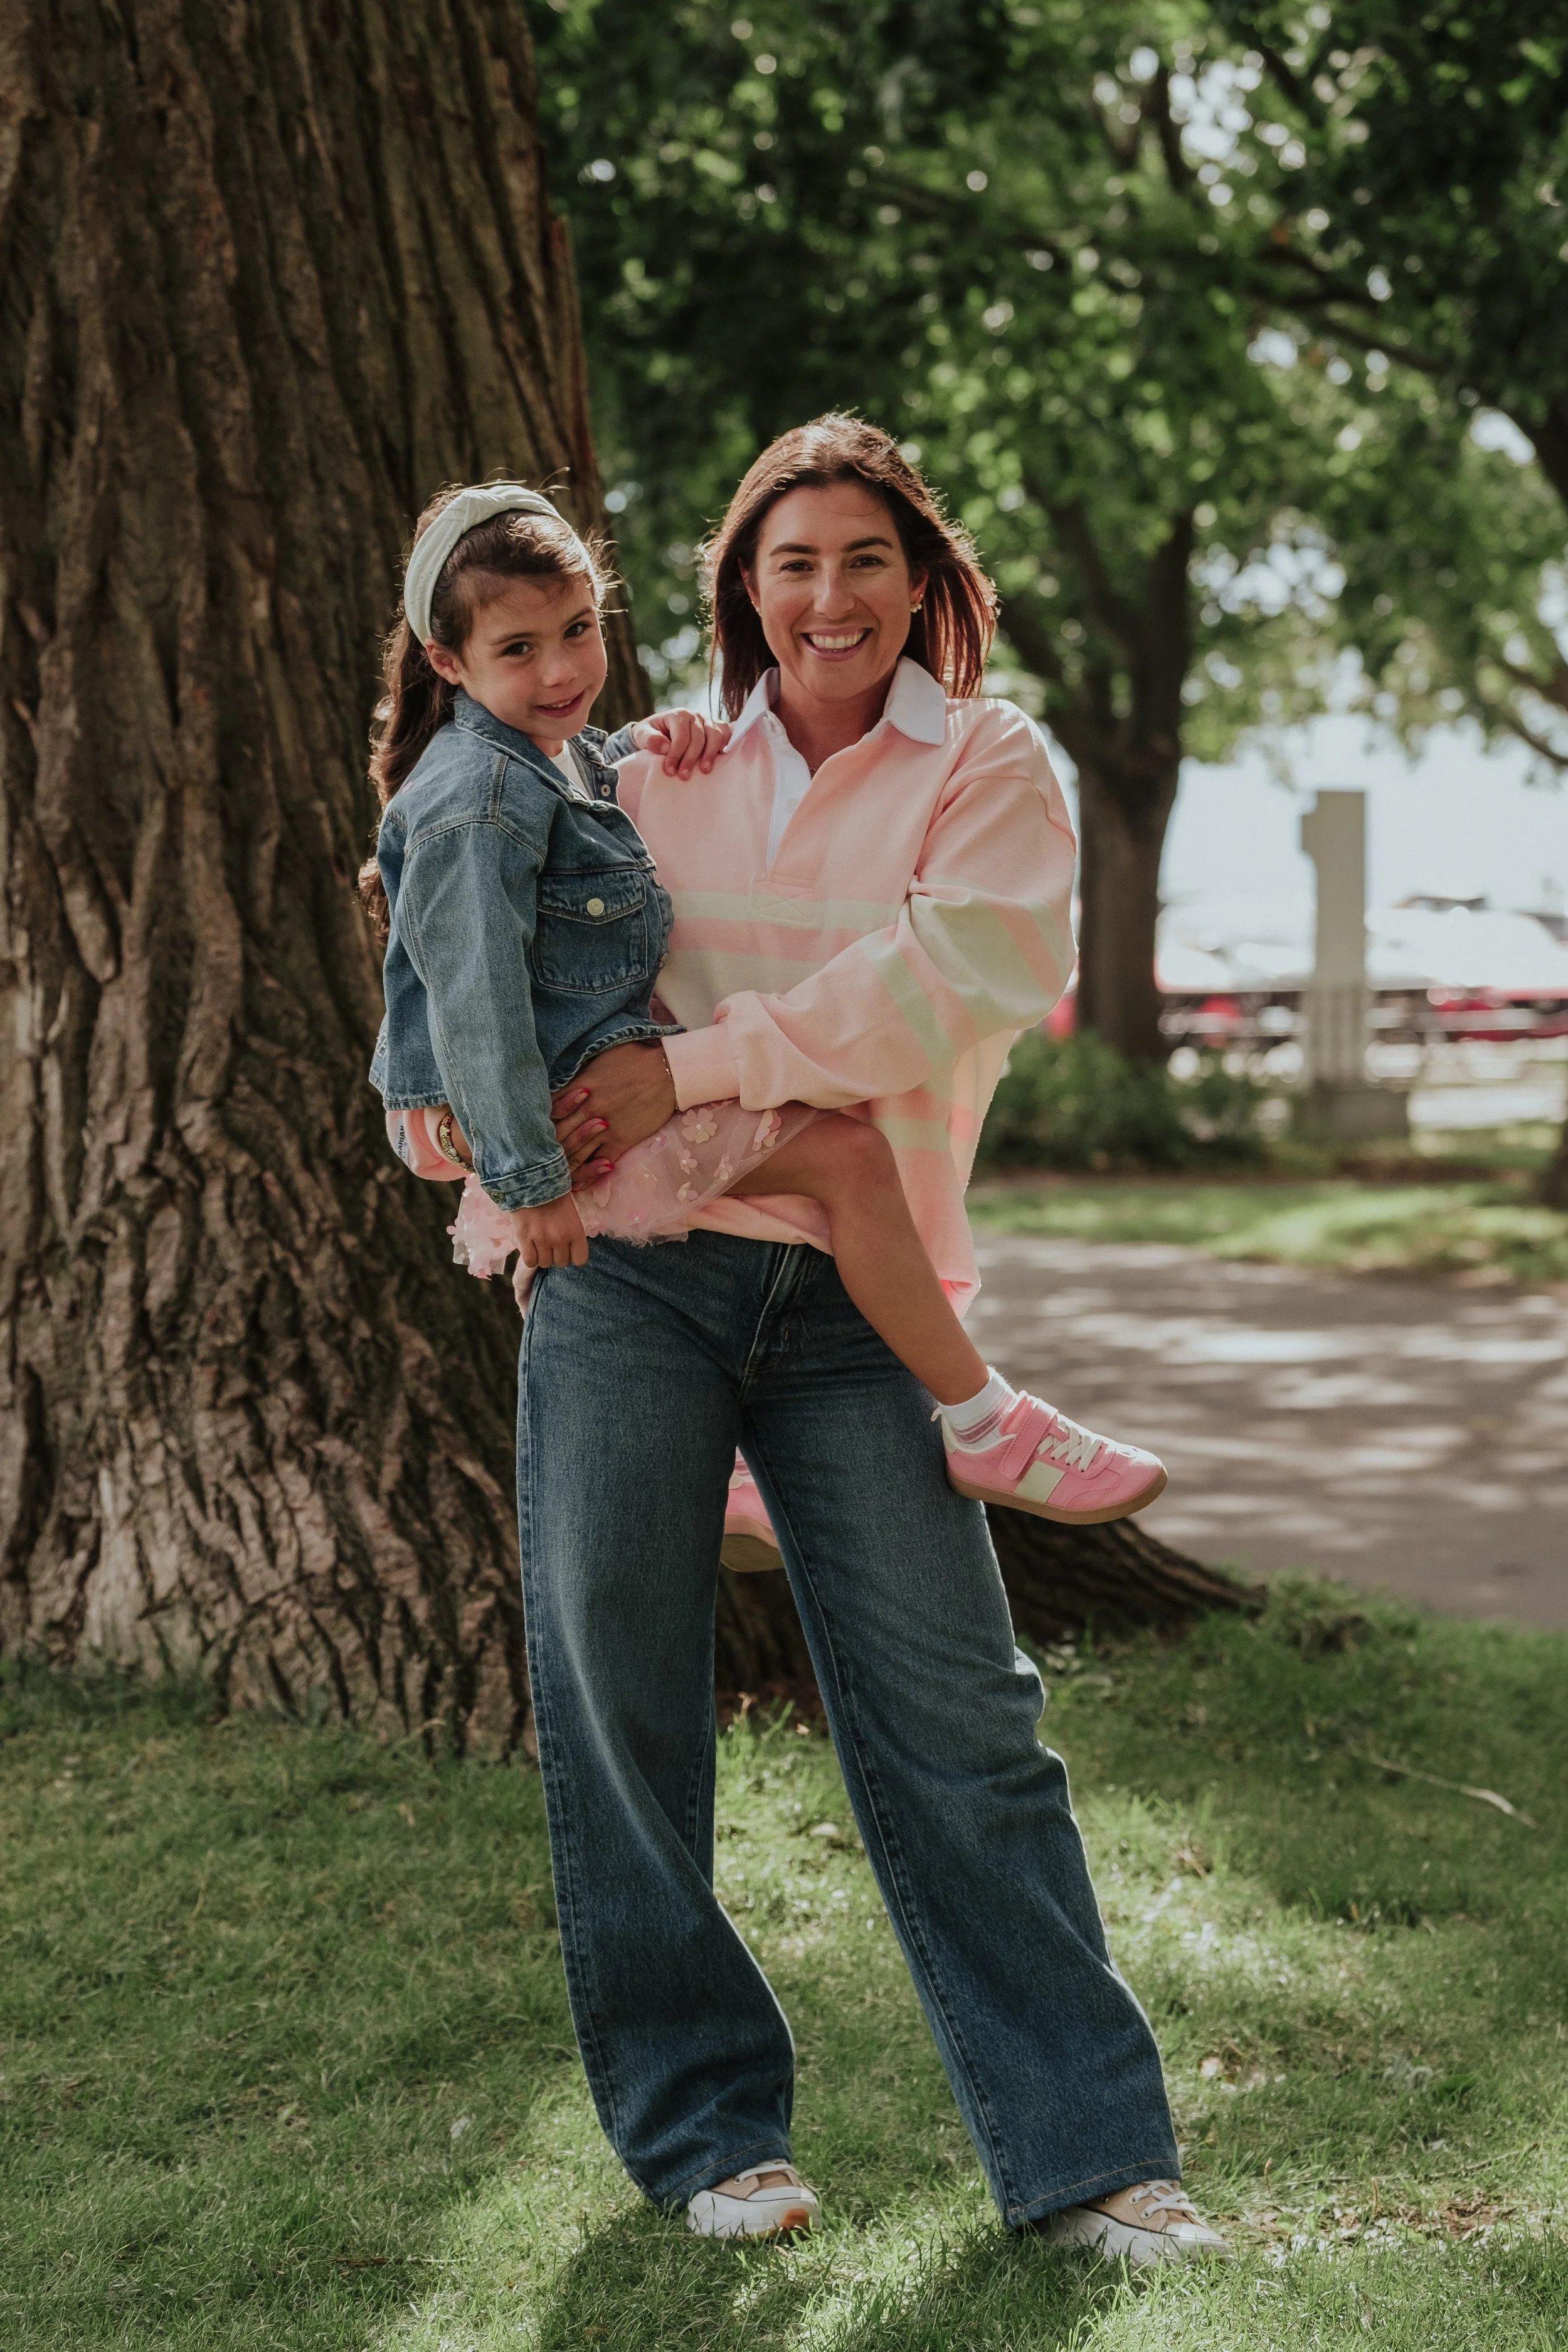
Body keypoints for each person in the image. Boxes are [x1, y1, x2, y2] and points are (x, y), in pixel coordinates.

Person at [371, 430, 1228, 2262]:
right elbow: (483, 950)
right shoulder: (645, 765)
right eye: (789, 564)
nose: (828, 597)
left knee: (962, 1722)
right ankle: (709, 2137)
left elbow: (958, 975)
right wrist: (455, 1125)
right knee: (621, 1703)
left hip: (857, 1299)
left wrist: (688, 1067)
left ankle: (1090, 2157)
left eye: (862, 559)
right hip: (633, 1283)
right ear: (740, 590)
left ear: (921, 578)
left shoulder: (988, 762)